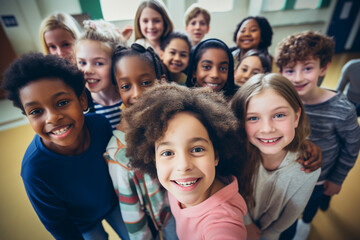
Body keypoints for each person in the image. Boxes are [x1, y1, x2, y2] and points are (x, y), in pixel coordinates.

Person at [2, 53, 129, 240]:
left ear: (83, 100)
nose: (52, 117)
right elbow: (59, 226)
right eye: (36, 111)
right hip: (81, 224)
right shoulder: (34, 170)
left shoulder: (100, 125)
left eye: (62, 103)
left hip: (114, 203)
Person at [122, 83, 248, 239]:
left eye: (197, 149)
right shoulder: (179, 184)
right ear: (154, 160)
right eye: (168, 152)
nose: (183, 166)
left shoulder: (223, 221)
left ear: (216, 155)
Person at [276, 31, 360, 240]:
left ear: (323, 67)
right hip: (287, 177)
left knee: (310, 206)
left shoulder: (343, 110)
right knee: (287, 212)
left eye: (307, 68)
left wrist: (337, 179)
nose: (298, 77)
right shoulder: (282, 102)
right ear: (281, 72)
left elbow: (351, 148)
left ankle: (306, 223)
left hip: (320, 180)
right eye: (290, 70)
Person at [230, 73, 321, 240]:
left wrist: (270, 235)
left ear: (296, 117)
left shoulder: (308, 168)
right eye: (253, 118)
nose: (267, 129)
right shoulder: (239, 155)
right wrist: (247, 224)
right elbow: (235, 193)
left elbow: (292, 213)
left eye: (279, 115)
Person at [104, 43, 176, 240]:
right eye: (126, 86)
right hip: (166, 222)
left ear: (161, 82)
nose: (137, 94)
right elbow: (132, 214)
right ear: (118, 90)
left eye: (145, 82)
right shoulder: (118, 153)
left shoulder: (175, 122)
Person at [75, 19, 124, 130]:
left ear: (115, 63)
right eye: (82, 63)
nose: (88, 70)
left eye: (98, 63)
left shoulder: (128, 97)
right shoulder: (81, 105)